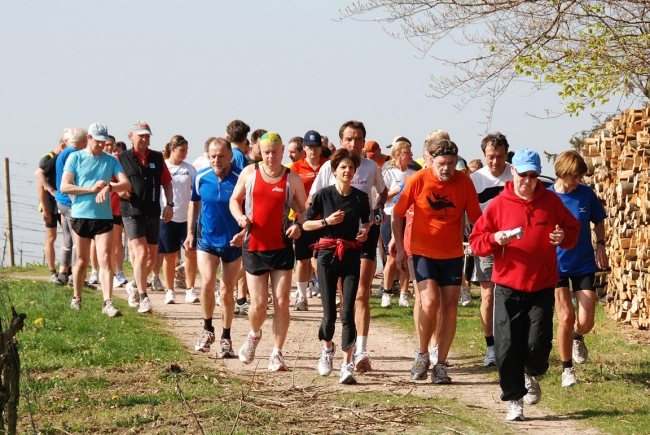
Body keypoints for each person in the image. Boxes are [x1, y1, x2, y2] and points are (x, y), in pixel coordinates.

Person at [469, 148, 580, 421]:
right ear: (513, 171)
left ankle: (531, 373)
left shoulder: (551, 201)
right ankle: (513, 399)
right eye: (523, 174)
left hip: (542, 285)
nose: (528, 180)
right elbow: (476, 242)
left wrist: (562, 235)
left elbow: (573, 231)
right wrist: (496, 239)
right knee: (506, 348)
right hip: (507, 286)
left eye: (533, 175)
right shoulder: (498, 204)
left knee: (538, 346)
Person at [391, 139, 482, 384]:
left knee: (450, 309)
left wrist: (482, 240)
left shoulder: (464, 182)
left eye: (452, 163)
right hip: (422, 252)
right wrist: (400, 247)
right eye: (442, 163)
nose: (447, 169)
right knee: (429, 304)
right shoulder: (418, 179)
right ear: (431, 160)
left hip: (452, 254)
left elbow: (476, 218)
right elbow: (397, 213)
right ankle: (422, 354)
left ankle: (440, 364)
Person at [310, 120, 387, 372]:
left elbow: (381, 194)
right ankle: (329, 349)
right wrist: (324, 222)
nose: (354, 143)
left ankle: (359, 351)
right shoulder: (327, 170)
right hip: (331, 242)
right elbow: (315, 201)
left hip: (360, 239)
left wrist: (375, 215)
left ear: (364, 142)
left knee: (360, 294)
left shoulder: (371, 167)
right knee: (334, 304)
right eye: (349, 139)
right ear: (341, 141)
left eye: (358, 139)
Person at [230, 132, 308, 371]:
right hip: (254, 247)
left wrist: (298, 225)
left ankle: (277, 353)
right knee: (259, 305)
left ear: (282, 150)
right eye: (266, 152)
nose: (271, 156)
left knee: (282, 302)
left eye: (275, 151)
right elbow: (234, 200)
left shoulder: (292, 179)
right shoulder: (249, 173)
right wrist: (240, 217)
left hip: (282, 247)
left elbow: (304, 211)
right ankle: (254, 335)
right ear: (259, 151)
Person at [304, 149, 371, 384]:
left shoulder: (361, 197)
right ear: (334, 171)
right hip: (326, 256)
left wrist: (364, 232)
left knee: (348, 312)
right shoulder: (323, 195)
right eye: (343, 167)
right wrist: (326, 221)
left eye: (351, 168)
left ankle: (346, 365)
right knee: (329, 314)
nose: (347, 171)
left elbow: (367, 221)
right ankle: (327, 350)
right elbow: (306, 225)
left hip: (351, 255)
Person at [549, 150, 608, 387]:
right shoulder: (547, 197)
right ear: (562, 173)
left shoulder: (585, 194)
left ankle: (578, 336)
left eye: (581, 176)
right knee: (566, 317)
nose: (579, 181)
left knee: (585, 321)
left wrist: (600, 245)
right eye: (575, 176)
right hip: (556, 265)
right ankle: (567, 370)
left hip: (583, 262)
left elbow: (599, 220)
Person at [59, 123, 131, 316]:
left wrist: (109, 186)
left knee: (106, 260)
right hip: (81, 215)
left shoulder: (111, 160)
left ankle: (108, 302)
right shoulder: (75, 157)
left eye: (103, 142)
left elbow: (126, 183)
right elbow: (65, 187)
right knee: (82, 261)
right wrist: (89, 189)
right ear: (89, 138)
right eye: (97, 141)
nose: (101, 145)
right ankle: (77, 298)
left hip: (104, 217)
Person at [186, 138, 245, 358]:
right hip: (207, 239)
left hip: (233, 242)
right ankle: (207, 329)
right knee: (208, 283)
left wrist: (244, 233)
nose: (216, 160)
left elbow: (251, 208)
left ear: (230, 155)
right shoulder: (201, 177)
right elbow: (194, 203)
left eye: (221, 156)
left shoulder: (241, 178)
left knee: (227, 290)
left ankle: (226, 337)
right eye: (212, 156)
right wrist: (190, 232)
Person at [121, 120, 174, 314]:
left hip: (153, 211)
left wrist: (169, 204)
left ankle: (135, 285)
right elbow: (113, 182)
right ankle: (144, 298)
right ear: (131, 135)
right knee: (141, 254)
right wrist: (120, 192)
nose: (144, 139)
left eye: (147, 135)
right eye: (141, 135)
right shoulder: (122, 158)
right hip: (131, 212)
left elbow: (167, 183)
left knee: (151, 259)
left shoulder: (157, 158)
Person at [469, 132, 513, 367]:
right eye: (490, 157)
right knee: (487, 295)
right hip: (486, 241)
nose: (495, 162)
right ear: (483, 155)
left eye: (499, 156)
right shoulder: (475, 179)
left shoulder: (515, 176)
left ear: (506, 154)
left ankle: (511, 344)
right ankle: (491, 347)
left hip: (514, 243)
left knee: (511, 296)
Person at [155, 135, 199, 305]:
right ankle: (170, 290)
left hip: (187, 217)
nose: (185, 153)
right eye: (182, 150)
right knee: (169, 255)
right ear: (173, 148)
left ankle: (190, 289)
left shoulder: (190, 169)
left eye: (187, 150)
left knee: (190, 252)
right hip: (167, 217)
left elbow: (194, 191)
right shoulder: (163, 166)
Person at [290, 130, 328, 311]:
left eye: (316, 146)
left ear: (321, 148)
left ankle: (328, 295)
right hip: (304, 221)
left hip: (325, 221)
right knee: (303, 260)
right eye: (309, 147)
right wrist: (300, 212)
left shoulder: (328, 166)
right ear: (304, 148)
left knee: (324, 259)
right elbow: (290, 196)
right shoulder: (296, 168)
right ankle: (302, 296)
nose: (313, 150)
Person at [380, 140, 415, 308]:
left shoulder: (413, 173)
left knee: (407, 255)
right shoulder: (388, 173)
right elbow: (381, 196)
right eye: (408, 152)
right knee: (391, 256)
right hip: (389, 216)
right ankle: (386, 292)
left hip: (408, 217)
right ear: (399, 154)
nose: (411, 155)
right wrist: (401, 189)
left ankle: (403, 294)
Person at [53, 127, 89, 286]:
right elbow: (72, 180)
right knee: (77, 240)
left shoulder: (63, 152)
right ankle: (76, 277)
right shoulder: (73, 154)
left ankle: (62, 275)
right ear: (84, 140)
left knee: (67, 239)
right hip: (70, 201)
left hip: (61, 200)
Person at [34, 134, 67, 282]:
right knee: (51, 237)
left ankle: (65, 269)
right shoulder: (47, 159)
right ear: (63, 146)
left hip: (63, 203)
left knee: (67, 237)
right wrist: (46, 209)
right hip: (49, 204)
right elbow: (39, 185)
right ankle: (52, 270)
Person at [109, 140, 129, 287]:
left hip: (125, 207)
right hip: (110, 207)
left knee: (123, 242)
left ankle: (120, 271)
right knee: (112, 242)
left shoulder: (122, 163)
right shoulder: (105, 164)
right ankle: (110, 273)